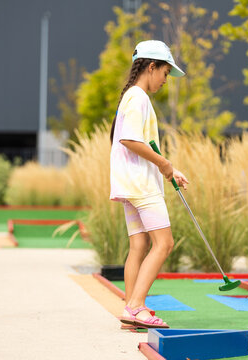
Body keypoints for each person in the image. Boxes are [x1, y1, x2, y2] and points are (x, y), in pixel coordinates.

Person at [109, 40, 189, 329]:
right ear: (151, 67)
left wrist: (169, 169)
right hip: (141, 186)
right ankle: (136, 306)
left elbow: (141, 142)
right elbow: (129, 139)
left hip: (130, 184)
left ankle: (130, 313)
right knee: (164, 244)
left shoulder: (131, 97)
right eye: (165, 73)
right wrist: (163, 164)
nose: (166, 81)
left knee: (139, 245)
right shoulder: (139, 97)